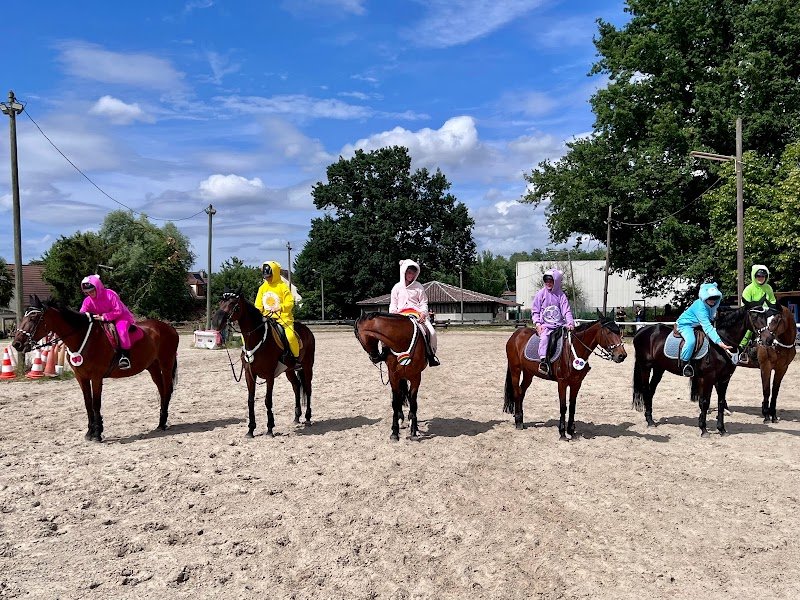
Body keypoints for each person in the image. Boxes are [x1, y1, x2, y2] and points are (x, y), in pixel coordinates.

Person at [675, 282, 734, 377]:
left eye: (715, 298)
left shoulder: (712, 306)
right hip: (685, 325)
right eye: (710, 298)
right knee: (691, 341)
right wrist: (720, 342)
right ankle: (685, 364)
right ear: (704, 297)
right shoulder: (699, 306)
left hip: (698, 325)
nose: (713, 300)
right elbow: (707, 327)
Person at [389, 259, 440, 367]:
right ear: (404, 272)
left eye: (413, 273)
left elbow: (423, 302)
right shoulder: (396, 287)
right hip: (400, 315)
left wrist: (423, 313)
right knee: (387, 333)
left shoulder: (418, 286)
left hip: (417, 314)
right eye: (408, 272)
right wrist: (393, 316)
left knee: (432, 332)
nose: (410, 275)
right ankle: (385, 353)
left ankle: (431, 355)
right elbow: (393, 304)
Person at [79, 274, 137, 370]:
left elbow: (118, 310)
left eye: (92, 291)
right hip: (101, 320)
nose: (90, 293)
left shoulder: (110, 294)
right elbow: (82, 313)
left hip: (121, 317)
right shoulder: (87, 301)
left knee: (121, 331)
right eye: (87, 292)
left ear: (98, 287)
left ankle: (125, 357)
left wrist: (104, 317)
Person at [531, 269, 575, 376]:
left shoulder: (561, 295)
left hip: (560, 325)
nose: (548, 283)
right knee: (545, 338)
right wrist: (537, 324)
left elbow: (566, 310)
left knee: (570, 339)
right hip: (545, 326)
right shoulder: (540, 294)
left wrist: (570, 323)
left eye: (550, 281)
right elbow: (535, 310)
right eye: (546, 281)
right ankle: (543, 361)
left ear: (556, 281)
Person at [255, 261, 299, 363]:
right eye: (266, 277)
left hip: (283, 318)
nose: (267, 279)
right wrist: (259, 313)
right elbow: (258, 304)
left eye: (269, 276)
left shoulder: (283, 286)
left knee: (291, 337)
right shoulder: (262, 288)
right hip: (266, 318)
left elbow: (290, 302)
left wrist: (279, 307)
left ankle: (296, 359)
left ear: (274, 274)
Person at [738, 264, 778, 363]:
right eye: (758, 276)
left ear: (766, 277)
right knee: (750, 328)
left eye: (763, 276)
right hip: (752, 314)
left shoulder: (768, 288)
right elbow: (744, 305)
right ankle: (742, 349)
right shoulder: (748, 289)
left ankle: (779, 345)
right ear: (754, 276)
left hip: (766, 313)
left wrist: (770, 310)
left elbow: (772, 301)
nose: (760, 278)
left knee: (777, 323)